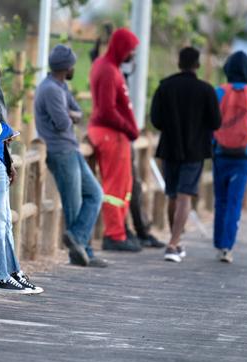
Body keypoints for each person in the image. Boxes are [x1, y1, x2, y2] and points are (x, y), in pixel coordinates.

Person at [35, 44, 107, 267]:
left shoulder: (61, 86)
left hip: (71, 149)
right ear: (66, 67)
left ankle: (80, 245)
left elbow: (77, 112)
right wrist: (71, 115)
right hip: (60, 151)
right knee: (73, 204)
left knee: (95, 193)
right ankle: (80, 252)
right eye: (73, 65)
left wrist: (71, 114)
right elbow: (64, 122)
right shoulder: (51, 90)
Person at [150, 47, 222, 262]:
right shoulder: (206, 90)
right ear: (197, 65)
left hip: (169, 148)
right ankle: (173, 244)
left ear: (179, 63)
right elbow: (216, 122)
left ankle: (175, 241)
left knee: (172, 195)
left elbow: (156, 120)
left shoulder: (165, 87)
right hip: (195, 150)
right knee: (185, 196)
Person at [0, 64, 44, 292]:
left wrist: (9, 161)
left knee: (6, 221)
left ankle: (11, 270)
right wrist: (7, 130)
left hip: (0, 159)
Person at [88, 28, 142, 253]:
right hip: (110, 134)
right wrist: (129, 128)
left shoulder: (108, 66)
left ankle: (120, 230)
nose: (132, 55)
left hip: (114, 134)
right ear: (121, 48)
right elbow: (107, 110)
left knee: (124, 186)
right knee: (114, 188)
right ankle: (114, 235)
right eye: (131, 50)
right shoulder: (109, 70)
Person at [212, 51, 247, 263]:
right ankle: (227, 247)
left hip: (219, 153)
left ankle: (218, 241)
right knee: (235, 201)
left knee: (221, 200)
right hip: (243, 156)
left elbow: (211, 122)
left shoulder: (218, 92)